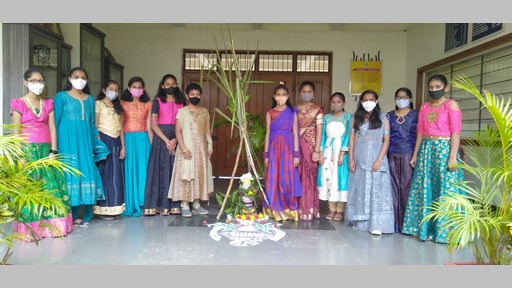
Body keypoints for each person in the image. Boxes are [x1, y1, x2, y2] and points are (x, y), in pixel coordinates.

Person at [10, 67, 73, 240]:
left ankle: (54, 227)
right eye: (33, 81)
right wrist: (20, 155)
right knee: (31, 190)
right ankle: (30, 230)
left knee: (52, 188)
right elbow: (16, 131)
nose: (38, 84)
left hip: (47, 152)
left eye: (40, 81)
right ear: (25, 82)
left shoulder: (48, 103)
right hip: (28, 153)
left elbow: (52, 127)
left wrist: (53, 150)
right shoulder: (18, 104)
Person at [401, 74, 464, 243]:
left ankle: (444, 232)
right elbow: (420, 132)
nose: (434, 90)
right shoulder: (424, 107)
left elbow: (455, 133)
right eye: (431, 87)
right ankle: (422, 228)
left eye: (438, 87)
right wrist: (415, 154)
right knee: (424, 187)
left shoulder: (451, 105)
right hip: (427, 150)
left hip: (445, 149)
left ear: (446, 88)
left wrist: (452, 157)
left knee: (445, 188)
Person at [54, 66, 106, 227]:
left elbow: (92, 125)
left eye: (83, 77)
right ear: (69, 79)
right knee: (70, 174)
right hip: (66, 142)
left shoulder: (90, 100)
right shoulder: (61, 97)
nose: (80, 80)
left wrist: (93, 146)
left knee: (87, 172)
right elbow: (54, 122)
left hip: (84, 142)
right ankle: (71, 214)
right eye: (76, 77)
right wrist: (54, 147)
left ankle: (87, 213)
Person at [345, 89, 394, 235]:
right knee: (360, 189)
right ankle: (362, 222)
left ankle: (377, 224)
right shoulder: (356, 117)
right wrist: (351, 159)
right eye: (365, 100)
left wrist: (379, 160)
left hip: (376, 160)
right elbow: (352, 139)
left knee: (377, 191)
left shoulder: (383, 117)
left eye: (371, 99)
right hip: (360, 160)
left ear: (377, 101)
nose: (368, 103)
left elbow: (386, 140)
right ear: (361, 102)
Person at [168, 83, 213, 218]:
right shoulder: (182, 112)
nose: (195, 97)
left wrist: (210, 147)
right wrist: (183, 148)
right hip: (186, 148)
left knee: (199, 175)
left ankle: (197, 204)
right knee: (187, 176)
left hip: (201, 149)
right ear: (187, 96)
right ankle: (185, 205)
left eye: (198, 94)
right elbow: (178, 132)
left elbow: (207, 131)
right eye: (192, 94)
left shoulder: (205, 111)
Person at [143, 74, 184, 216]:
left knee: (174, 172)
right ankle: (157, 205)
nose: (171, 86)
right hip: (161, 140)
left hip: (178, 137)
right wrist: (167, 141)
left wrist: (176, 140)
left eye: (173, 83)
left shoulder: (182, 102)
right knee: (159, 171)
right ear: (162, 86)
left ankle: (174, 205)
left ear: (177, 85)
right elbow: (153, 124)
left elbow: (185, 124)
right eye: (167, 84)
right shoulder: (157, 101)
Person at [262, 82, 302, 222]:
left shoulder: (292, 112)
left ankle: (288, 209)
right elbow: (267, 134)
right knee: (273, 178)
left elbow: (296, 134)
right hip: (273, 149)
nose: (281, 98)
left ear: (288, 96)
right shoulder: (270, 113)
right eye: (278, 95)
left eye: (283, 95)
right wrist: (266, 154)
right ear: (274, 96)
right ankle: (274, 208)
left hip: (287, 149)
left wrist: (296, 154)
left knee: (287, 179)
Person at [120, 76, 153, 217]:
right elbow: (120, 126)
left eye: (140, 87)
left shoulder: (148, 105)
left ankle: (143, 202)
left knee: (143, 171)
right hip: (127, 138)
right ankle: (131, 202)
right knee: (130, 171)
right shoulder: (122, 104)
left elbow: (149, 127)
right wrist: (123, 146)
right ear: (129, 88)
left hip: (142, 139)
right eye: (134, 87)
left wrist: (152, 146)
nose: (137, 90)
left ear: (143, 89)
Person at [93, 80, 126, 220]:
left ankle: (115, 208)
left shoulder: (118, 107)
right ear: (104, 89)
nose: (113, 91)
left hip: (117, 141)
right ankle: (103, 210)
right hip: (104, 140)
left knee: (116, 175)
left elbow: (121, 128)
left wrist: (123, 147)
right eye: (111, 88)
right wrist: (99, 145)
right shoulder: (98, 104)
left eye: (116, 89)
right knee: (104, 174)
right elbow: (95, 125)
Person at [387, 87, 418, 233]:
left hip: (409, 156)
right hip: (391, 155)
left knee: (407, 189)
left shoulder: (416, 115)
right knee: (392, 190)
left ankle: (408, 224)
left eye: (404, 97)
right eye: (398, 97)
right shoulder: (389, 116)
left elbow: (420, 135)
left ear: (410, 99)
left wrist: (416, 155)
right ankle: (393, 224)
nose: (401, 99)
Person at [317, 92, 352, 221]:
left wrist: (342, 153)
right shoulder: (326, 117)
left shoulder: (348, 117)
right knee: (328, 177)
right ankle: (331, 209)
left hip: (340, 150)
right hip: (327, 149)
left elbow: (349, 135)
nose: (335, 104)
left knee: (339, 177)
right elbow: (323, 136)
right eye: (333, 102)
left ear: (343, 103)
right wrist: (321, 153)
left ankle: (340, 210)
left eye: (338, 102)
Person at [296, 81, 323, 221]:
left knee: (308, 177)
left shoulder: (318, 109)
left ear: (314, 94)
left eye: (309, 92)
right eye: (304, 91)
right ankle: (296, 207)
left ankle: (308, 209)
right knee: (296, 175)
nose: (306, 94)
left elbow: (319, 131)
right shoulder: (295, 109)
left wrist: (317, 150)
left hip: (311, 146)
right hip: (296, 146)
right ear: (300, 93)